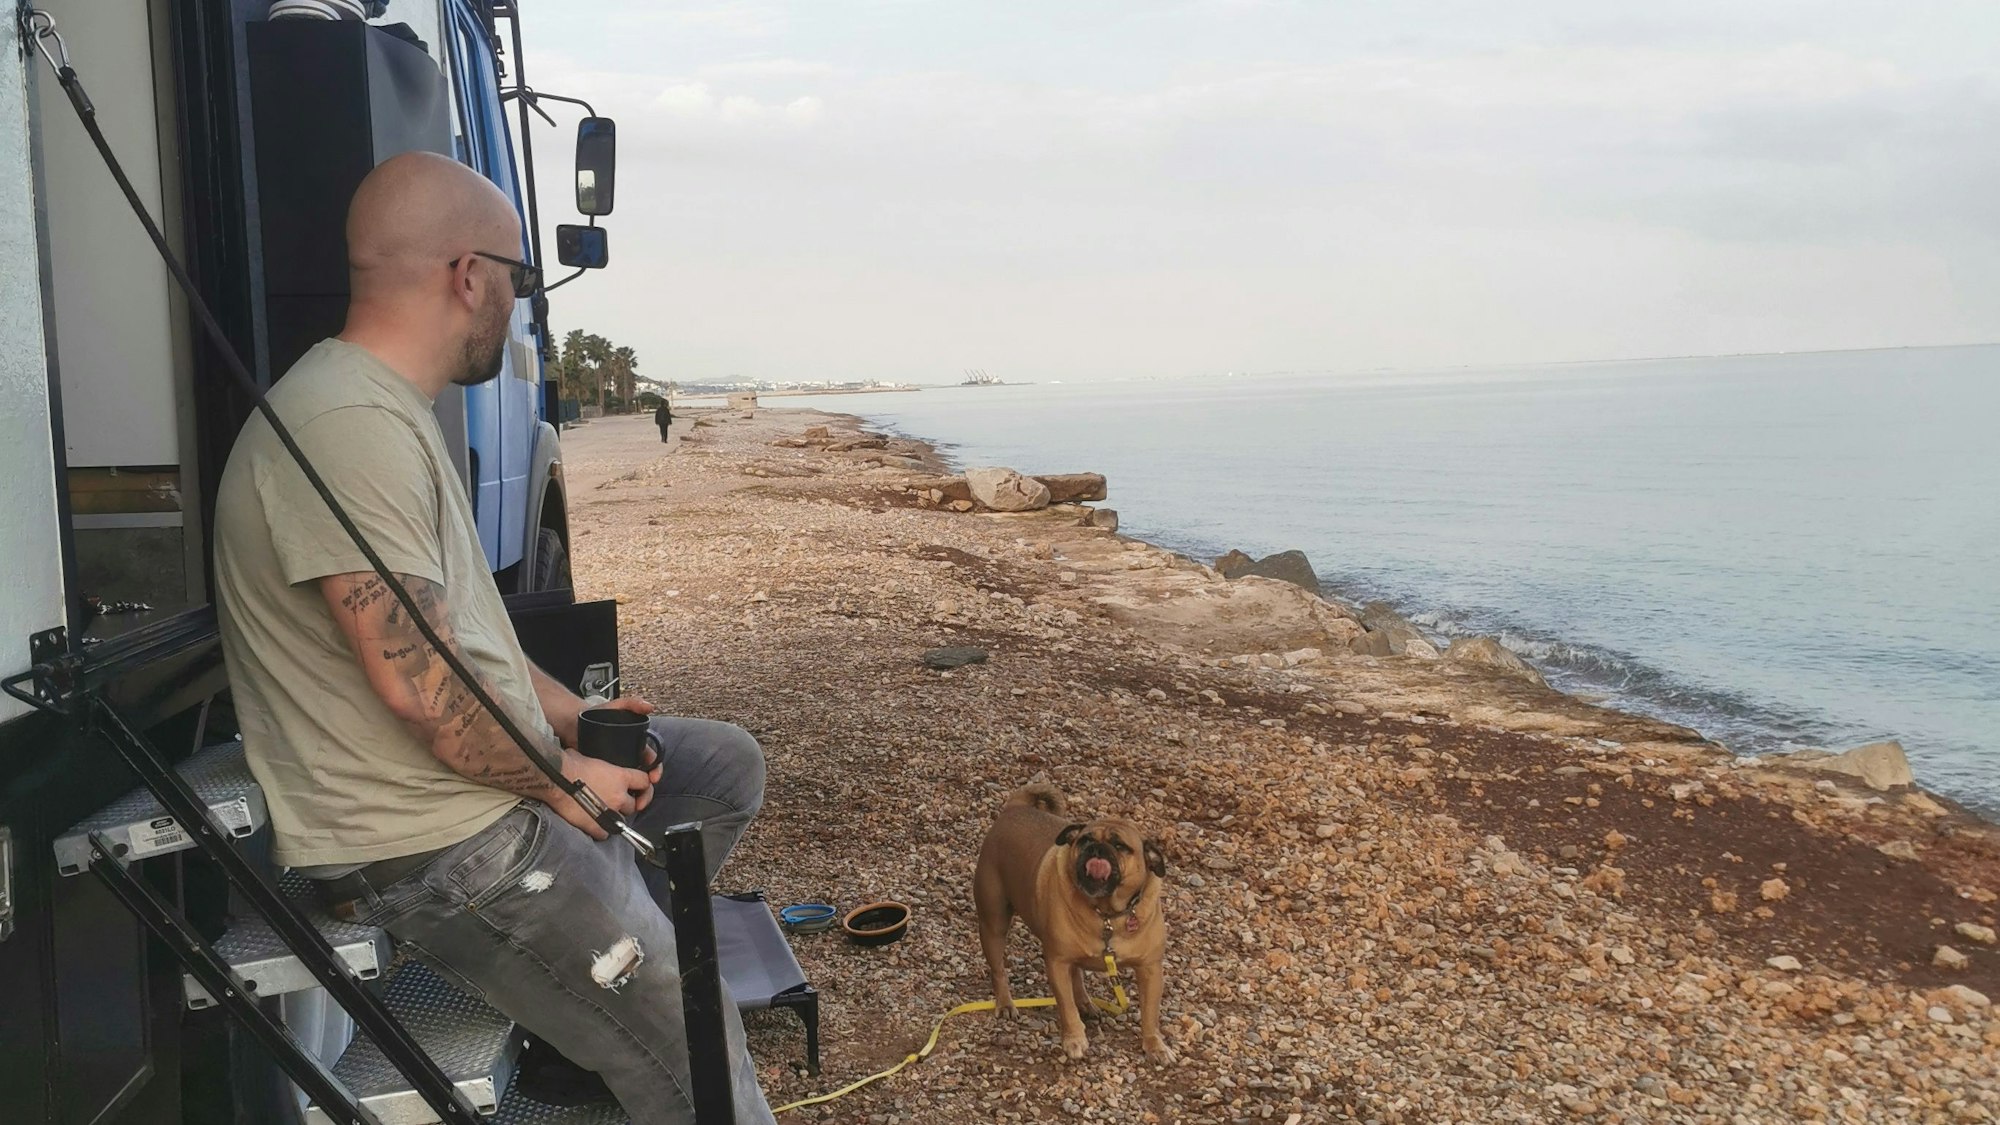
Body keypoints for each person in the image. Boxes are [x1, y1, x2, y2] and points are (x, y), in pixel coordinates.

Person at [212, 151, 774, 1124]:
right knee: (702, 1046)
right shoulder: (347, 424)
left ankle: (582, 1021)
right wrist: (562, 780)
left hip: (477, 794)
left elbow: (468, 638)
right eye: (518, 280)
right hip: (428, 841)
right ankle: (625, 1018)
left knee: (718, 768)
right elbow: (417, 683)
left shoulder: (390, 410)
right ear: (467, 275)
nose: (516, 305)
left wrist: (580, 715)